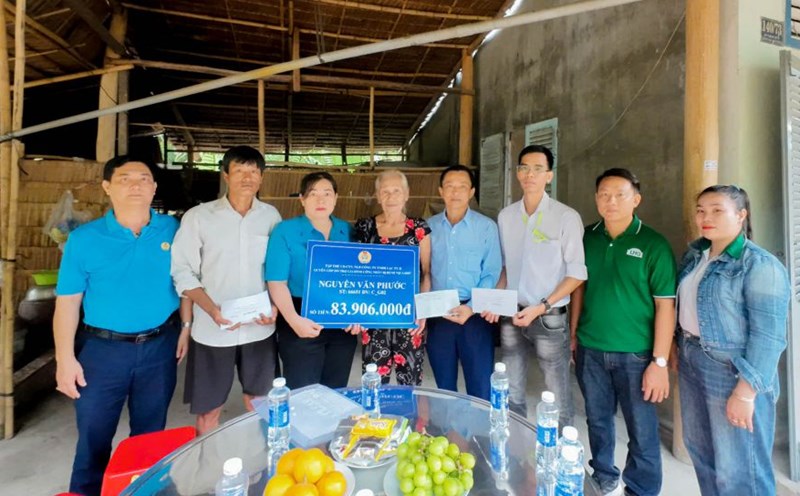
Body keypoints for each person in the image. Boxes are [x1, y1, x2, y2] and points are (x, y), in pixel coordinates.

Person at [53, 156, 181, 496]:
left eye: (144, 178)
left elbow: (188, 282)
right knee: (93, 437)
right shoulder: (84, 239)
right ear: (107, 187)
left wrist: (185, 328)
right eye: (125, 178)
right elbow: (67, 303)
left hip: (159, 345)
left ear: (154, 187)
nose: (136, 185)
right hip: (101, 352)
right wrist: (65, 359)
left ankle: (143, 491)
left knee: (150, 436)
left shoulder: (173, 230)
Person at [676, 185, 790, 495]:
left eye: (717, 210)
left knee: (740, 469)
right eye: (701, 210)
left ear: (741, 215)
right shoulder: (696, 254)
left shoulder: (760, 265)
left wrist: (746, 392)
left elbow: (769, 336)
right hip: (692, 358)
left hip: (732, 371)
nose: (706, 217)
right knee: (702, 453)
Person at [570, 168, 676, 496]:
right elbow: (579, 289)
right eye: (604, 195)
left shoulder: (653, 244)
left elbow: (665, 306)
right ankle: (603, 475)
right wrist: (573, 334)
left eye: (620, 195)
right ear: (596, 199)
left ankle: (642, 488)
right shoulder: (587, 237)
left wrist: (659, 362)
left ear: (636, 199)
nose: (611, 201)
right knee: (597, 421)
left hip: (636, 355)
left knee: (642, 430)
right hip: (591, 348)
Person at [171, 145, 281, 435]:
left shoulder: (270, 216)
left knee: (260, 402)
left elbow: (277, 270)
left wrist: (275, 307)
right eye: (240, 170)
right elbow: (183, 270)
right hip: (212, 330)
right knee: (209, 409)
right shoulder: (199, 216)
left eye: (254, 172)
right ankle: (208, 459)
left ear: (261, 178)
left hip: (259, 328)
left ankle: (264, 455)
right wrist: (211, 310)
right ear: (225, 175)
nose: (247, 178)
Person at [484, 144, 586, 426]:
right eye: (524, 168)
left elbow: (577, 274)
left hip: (548, 317)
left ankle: (558, 445)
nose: (530, 174)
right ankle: (515, 442)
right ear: (517, 173)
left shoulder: (565, 217)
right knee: (511, 388)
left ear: (549, 176)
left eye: (538, 169)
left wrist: (541, 306)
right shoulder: (506, 216)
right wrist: (495, 300)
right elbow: (505, 267)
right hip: (512, 313)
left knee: (556, 392)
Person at [265, 171, 360, 389]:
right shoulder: (285, 231)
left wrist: (358, 315)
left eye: (327, 193)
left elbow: (360, 279)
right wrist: (294, 320)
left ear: (336, 198)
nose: (321, 200)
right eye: (313, 194)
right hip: (299, 315)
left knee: (336, 390)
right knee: (303, 391)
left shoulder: (348, 231)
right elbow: (277, 282)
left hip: (342, 322)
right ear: (302, 199)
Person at [426, 165, 502, 401]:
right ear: (441, 191)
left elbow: (491, 272)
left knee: (480, 387)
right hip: (439, 314)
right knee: (445, 387)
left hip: (475, 315)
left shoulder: (486, 227)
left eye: (462, 187)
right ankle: (448, 425)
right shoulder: (427, 228)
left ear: (471, 192)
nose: (455, 192)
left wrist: (471, 307)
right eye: (449, 186)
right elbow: (422, 270)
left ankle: (478, 426)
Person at [354, 169, 431, 385]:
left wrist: (422, 312)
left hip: (409, 317)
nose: (391, 197)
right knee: (374, 383)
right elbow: (356, 273)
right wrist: (356, 310)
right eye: (385, 192)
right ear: (378, 196)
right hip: (373, 316)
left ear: (406, 194)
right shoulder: (365, 227)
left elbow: (426, 272)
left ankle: (411, 410)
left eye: (396, 191)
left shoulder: (418, 228)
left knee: (410, 382)